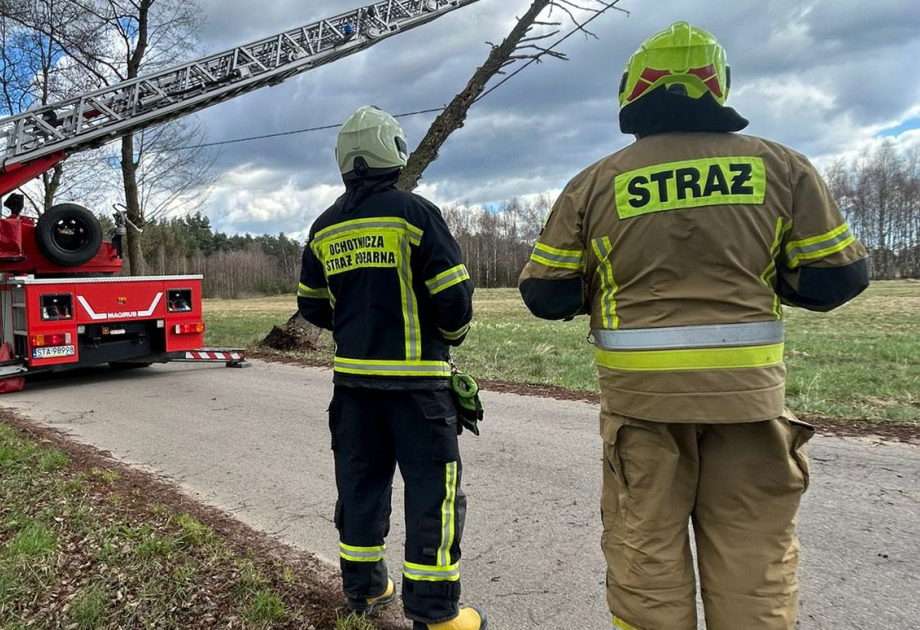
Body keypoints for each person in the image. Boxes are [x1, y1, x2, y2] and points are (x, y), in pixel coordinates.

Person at [518, 22, 870, 630]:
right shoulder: (783, 167)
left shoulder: (595, 183)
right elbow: (838, 279)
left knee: (644, 553)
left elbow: (545, 295)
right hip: (750, 405)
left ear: (633, 88)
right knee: (754, 559)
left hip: (642, 409)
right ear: (717, 85)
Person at [297, 106, 483, 630]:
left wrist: (356, 326)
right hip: (419, 391)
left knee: (360, 489)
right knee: (432, 499)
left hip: (353, 391)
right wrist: (446, 340)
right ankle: (437, 616)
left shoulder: (324, 227)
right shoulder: (414, 213)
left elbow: (311, 304)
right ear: (393, 152)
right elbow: (455, 299)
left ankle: (365, 591)